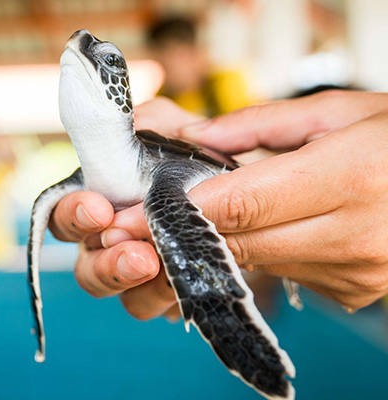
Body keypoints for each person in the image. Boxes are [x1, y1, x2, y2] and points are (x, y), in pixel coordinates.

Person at [48, 90, 388, 320]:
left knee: (210, 231)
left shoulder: (222, 84)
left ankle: (242, 312)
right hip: (202, 172)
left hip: (202, 174)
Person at [146, 16, 253, 117]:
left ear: (192, 52)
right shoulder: (164, 98)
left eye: (167, 65)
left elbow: (247, 128)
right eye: (161, 65)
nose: (166, 74)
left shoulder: (224, 83)